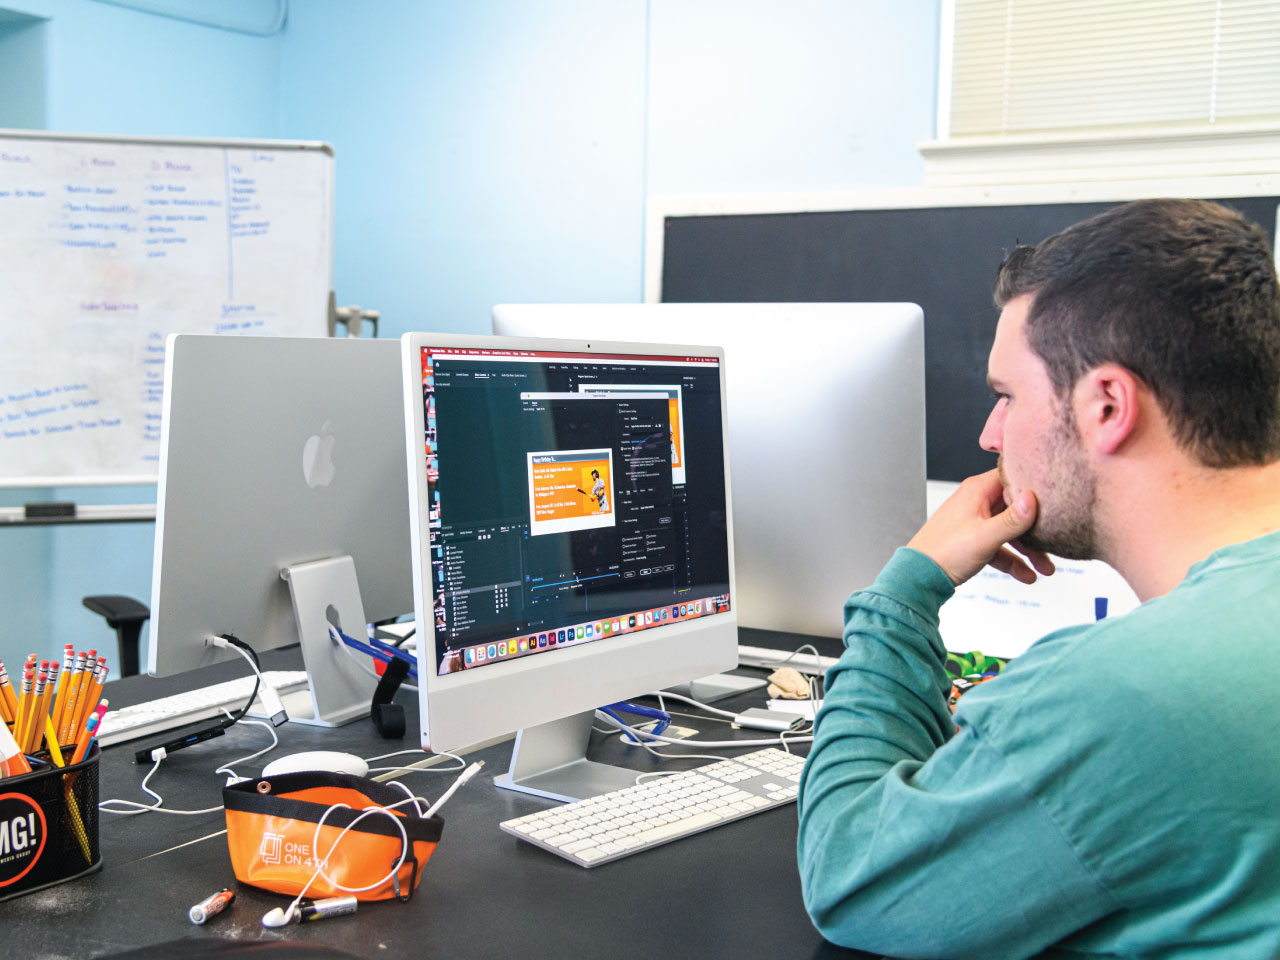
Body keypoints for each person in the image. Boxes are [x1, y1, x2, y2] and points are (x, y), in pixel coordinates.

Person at [796, 199, 1280, 960]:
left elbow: (849, 872)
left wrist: (903, 593)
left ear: (1108, 406)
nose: (990, 436)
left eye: (1006, 396)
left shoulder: (1132, 689)